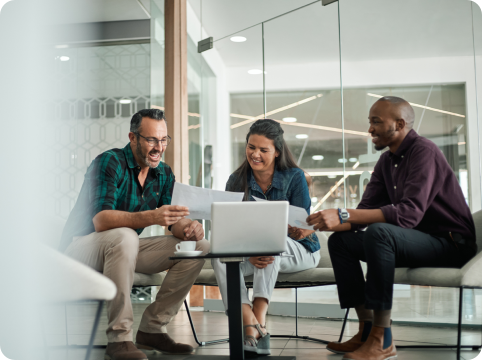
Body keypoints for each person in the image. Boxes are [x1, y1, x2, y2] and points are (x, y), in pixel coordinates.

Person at [307, 96, 477, 360]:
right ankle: (365, 331)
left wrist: (342, 213)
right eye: (370, 122)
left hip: (451, 243)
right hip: (417, 239)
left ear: (399, 124)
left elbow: (408, 215)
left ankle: (383, 338)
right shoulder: (387, 162)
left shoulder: (424, 151)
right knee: (341, 242)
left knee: (380, 232)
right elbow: (364, 211)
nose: (370, 129)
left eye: (376, 122)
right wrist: (319, 225)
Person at [60, 109, 209, 360]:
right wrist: (153, 216)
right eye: (151, 140)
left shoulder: (163, 173)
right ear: (133, 137)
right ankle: (119, 338)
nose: (158, 148)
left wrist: (189, 228)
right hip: (80, 248)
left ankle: (152, 329)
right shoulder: (109, 162)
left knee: (199, 246)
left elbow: (171, 220)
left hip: (122, 247)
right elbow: (101, 220)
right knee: (126, 236)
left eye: (163, 140)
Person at [212, 119, 321, 356]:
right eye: (251, 147)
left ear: (277, 151)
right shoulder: (236, 180)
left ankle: (257, 319)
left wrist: (296, 229)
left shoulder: (294, 177)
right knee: (219, 256)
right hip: (253, 250)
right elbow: (230, 227)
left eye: (263, 150)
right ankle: (249, 323)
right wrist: (248, 251)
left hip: (299, 249)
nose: (255, 154)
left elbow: (304, 224)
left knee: (268, 244)